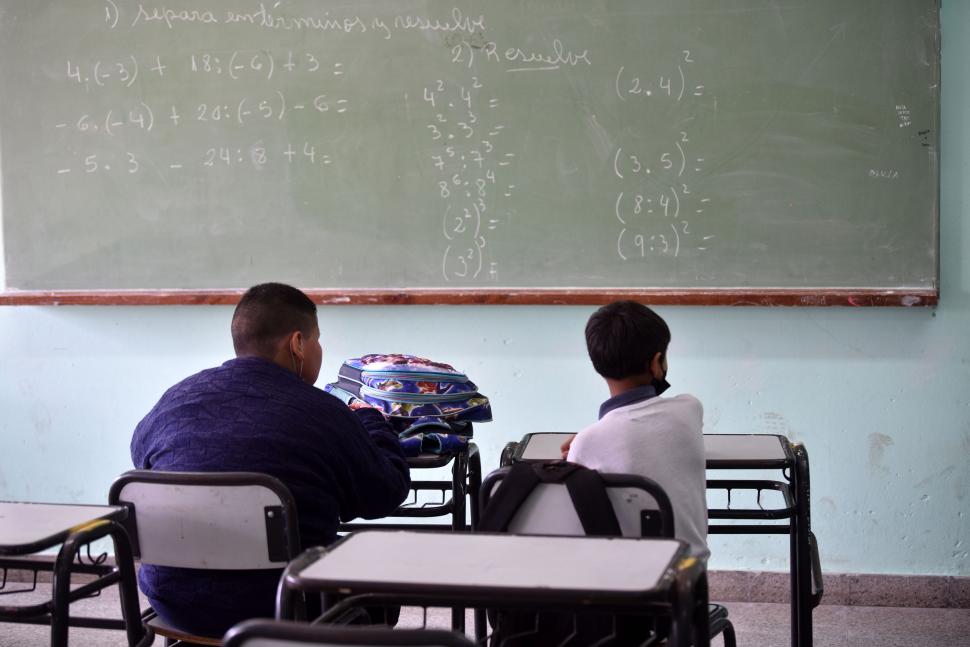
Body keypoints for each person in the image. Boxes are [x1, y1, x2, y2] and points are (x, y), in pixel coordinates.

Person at [130, 282, 411, 636]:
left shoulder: (173, 401)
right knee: (378, 568)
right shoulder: (323, 412)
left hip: (174, 601)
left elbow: (144, 464)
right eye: (317, 339)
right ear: (297, 343)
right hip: (287, 605)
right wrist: (371, 420)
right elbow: (385, 493)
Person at [562, 300, 708, 558]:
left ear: (597, 364)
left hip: (623, 582)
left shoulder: (587, 443)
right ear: (656, 363)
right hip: (689, 578)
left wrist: (582, 442)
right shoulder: (690, 409)